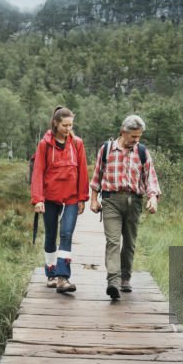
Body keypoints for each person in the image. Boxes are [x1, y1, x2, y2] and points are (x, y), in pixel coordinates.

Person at [89, 114, 161, 301]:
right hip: (111, 200)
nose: (136, 140)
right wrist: (94, 200)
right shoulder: (106, 150)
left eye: (139, 137)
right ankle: (113, 281)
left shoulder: (142, 152)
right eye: (133, 137)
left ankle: (125, 278)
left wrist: (153, 198)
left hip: (134, 202)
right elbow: (97, 177)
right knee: (113, 241)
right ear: (123, 132)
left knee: (129, 243)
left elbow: (150, 179)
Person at [30, 106, 89, 294]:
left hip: (71, 196)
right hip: (49, 196)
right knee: (50, 234)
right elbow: (38, 172)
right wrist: (38, 199)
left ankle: (63, 277)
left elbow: (83, 172)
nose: (68, 129)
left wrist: (82, 198)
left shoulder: (77, 144)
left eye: (71, 125)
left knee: (66, 234)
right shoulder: (44, 145)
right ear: (56, 123)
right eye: (65, 125)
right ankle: (51, 273)